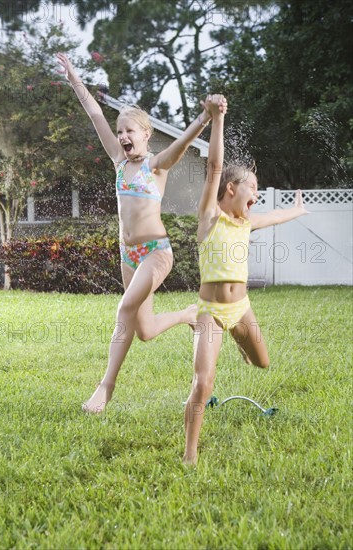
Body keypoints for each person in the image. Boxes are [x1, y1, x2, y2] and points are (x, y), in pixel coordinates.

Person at [56, 53, 226, 413]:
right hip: (127, 254)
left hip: (155, 252)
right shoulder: (119, 163)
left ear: (146, 135)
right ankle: (189, 316)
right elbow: (95, 114)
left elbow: (181, 145)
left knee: (125, 307)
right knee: (144, 329)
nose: (122, 136)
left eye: (129, 131)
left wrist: (205, 118)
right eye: (120, 132)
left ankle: (105, 388)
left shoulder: (156, 165)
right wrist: (73, 77)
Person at [183, 95, 309, 465]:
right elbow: (215, 165)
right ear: (232, 189)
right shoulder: (210, 216)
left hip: (241, 309)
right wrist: (217, 118)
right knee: (203, 383)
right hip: (210, 311)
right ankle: (190, 453)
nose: (256, 193)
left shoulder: (246, 222)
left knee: (261, 363)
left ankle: (240, 342)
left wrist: (298, 210)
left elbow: (276, 217)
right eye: (252, 186)